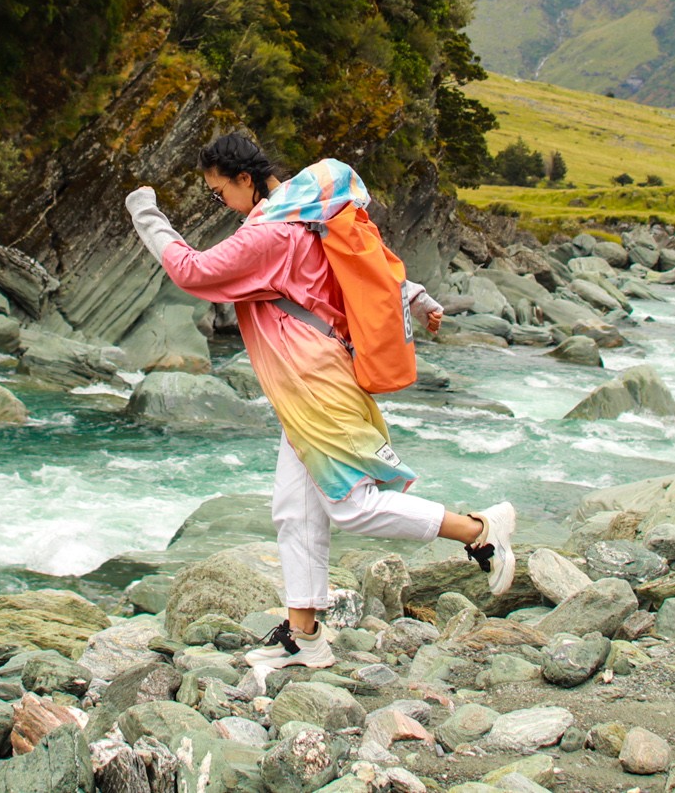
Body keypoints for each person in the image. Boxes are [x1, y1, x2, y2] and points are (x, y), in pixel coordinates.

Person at [123, 131, 517, 673]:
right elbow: (371, 263)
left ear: (244, 179)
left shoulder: (268, 235)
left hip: (312, 382)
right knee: (295, 508)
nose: (220, 203)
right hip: (315, 375)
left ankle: (479, 531)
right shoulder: (316, 212)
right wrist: (417, 294)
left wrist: (145, 212)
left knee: (349, 503)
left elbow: (193, 271)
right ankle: (305, 636)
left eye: (219, 192)